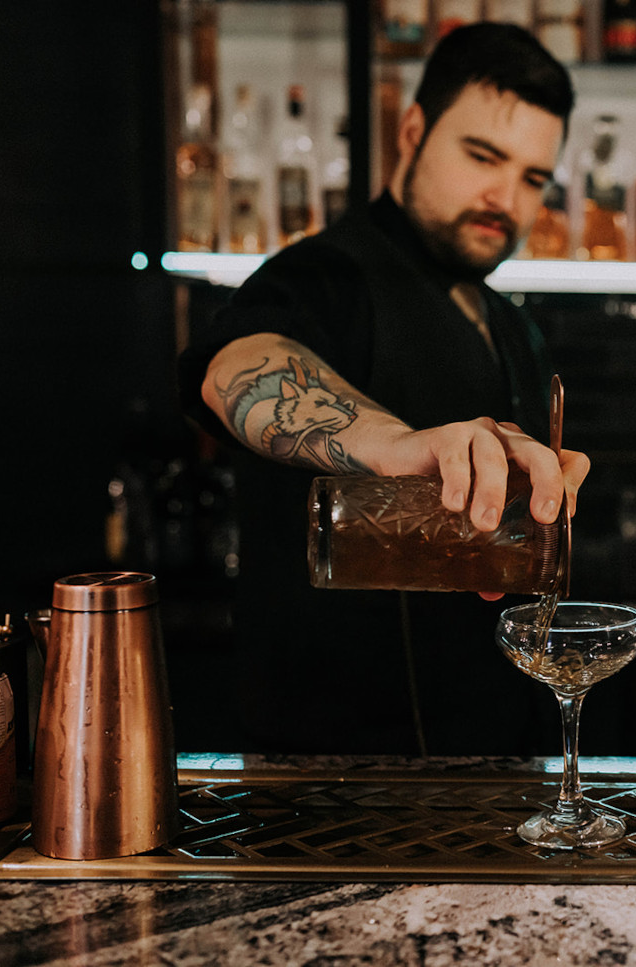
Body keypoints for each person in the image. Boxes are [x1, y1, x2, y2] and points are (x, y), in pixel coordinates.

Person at [178, 23, 589, 755]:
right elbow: (235, 365)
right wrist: (395, 445)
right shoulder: (324, 275)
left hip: (498, 763)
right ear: (412, 132)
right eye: (482, 156)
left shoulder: (510, 323)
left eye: (533, 178)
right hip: (334, 777)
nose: (505, 196)